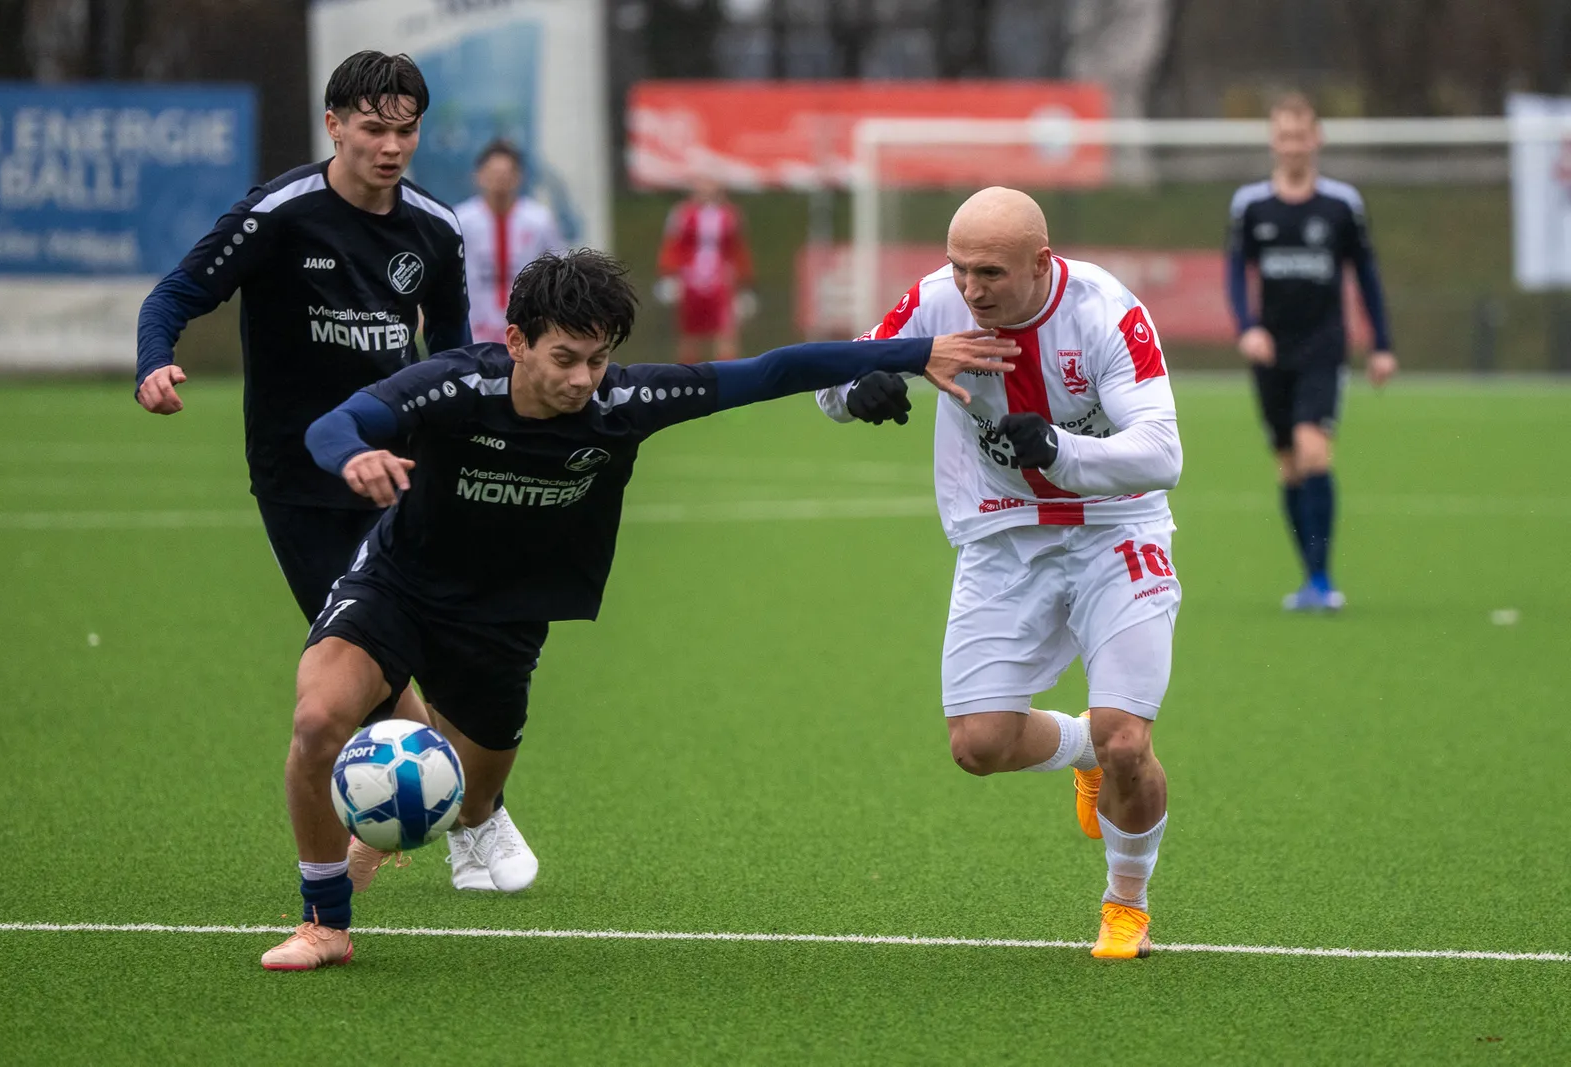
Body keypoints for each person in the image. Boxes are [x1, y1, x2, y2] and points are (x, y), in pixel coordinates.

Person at [258, 248, 1018, 970]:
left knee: (473, 795)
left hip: (506, 618)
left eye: (597, 360)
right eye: (564, 359)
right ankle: (325, 923)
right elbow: (332, 426)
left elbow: (772, 370)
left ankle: (449, 819)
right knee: (319, 720)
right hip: (397, 586)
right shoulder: (453, 387)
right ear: (516, 342)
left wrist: (914, 353)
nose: (583, 380)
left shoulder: (625, 401)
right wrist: (355, 455)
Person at [132, 51, 517, 892]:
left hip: (400, 470)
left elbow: (452, 355)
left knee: (437, 646)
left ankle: (461, 820)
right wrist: (153, 362)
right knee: (370, 663)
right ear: (334, 125)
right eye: (373, 129)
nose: (391, 146)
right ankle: (467, 816)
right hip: (299, 481)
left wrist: (469, 447)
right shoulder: (278, 214)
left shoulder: (435, 227)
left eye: (406, 130)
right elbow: (174, 295)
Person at [815, 188, 1183, 960]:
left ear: (1041, 262)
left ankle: (1126, 903)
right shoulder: (936, 301)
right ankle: (1083, 749)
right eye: (959, 268)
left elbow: (1162, 452)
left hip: (1117, 530)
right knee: (978, 746)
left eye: (990, 272)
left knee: (1127, 740)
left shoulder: (1107, 311)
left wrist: (1059, 449)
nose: (970, 289)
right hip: (1002, 533)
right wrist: (856, 390)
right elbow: (830, 381)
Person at [1227, 92, 1397, 611]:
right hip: (1271, 351)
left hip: (1324, 345)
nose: (1293, 145)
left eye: (1301, 135)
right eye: (1284, 136)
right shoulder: (1250, 205)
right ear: (1273, 141)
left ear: (1316, 139)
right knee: (1288, 466)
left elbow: (1366, 275)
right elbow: (1235, 274)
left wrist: (1382, 343)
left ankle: (1323, 581)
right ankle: (1310, 580)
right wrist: (1248, 328)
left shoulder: (1342, 204)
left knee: (1313, 450)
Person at [454, 139, 565, 343]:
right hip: (474, 329)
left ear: (518, 177)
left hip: (528, 328)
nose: (499, 181)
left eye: (505, 174)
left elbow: (558, 271)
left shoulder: (540, 221)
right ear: (478, 176)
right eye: (493, 174)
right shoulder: (461, 220)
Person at [655, 176, 754, 363]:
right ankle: (687, 376)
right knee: (689, 335)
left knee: (726, 332)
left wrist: (745, 284)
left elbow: (738, 249)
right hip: (690, 281)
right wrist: (669, 275)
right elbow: (673, 245)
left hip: (722, 281)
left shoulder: (730, 215)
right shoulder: (682, 214)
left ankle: (728, 375)